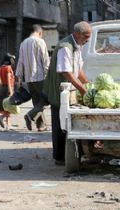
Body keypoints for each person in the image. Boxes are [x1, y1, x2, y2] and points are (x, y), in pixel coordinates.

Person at [43, 21, 91, 165]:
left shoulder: (77, 45)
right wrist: (82, 90)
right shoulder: (66, 47)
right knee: (60, 124)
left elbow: (78, 69)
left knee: (68, 123)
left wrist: (87, 84)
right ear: (77, 34)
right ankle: (59, 157)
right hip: (59, 91)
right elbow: (66, 72)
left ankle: (70, 154)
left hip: (68, 90)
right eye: (86, 36)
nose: (88, 40)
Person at [16, 24, 50, 132]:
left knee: (36, 102)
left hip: (29, 78)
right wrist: (49, 76)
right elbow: (46, 61)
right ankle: (30, 115)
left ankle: (40, 126)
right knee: (47, 100)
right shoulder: (40, 41)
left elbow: (20, 62)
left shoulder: (23, 43)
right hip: (40, 77)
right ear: (40, 33)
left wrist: (20, 78)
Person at [0, 54, 15, 129]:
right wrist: (10, 90)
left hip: (3, 88)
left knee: (6, 106)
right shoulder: (8, 68)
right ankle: (2, 117)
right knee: (9, 106)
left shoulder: (1, 68)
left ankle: (8, 124)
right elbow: (8, 79)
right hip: (8, 88)